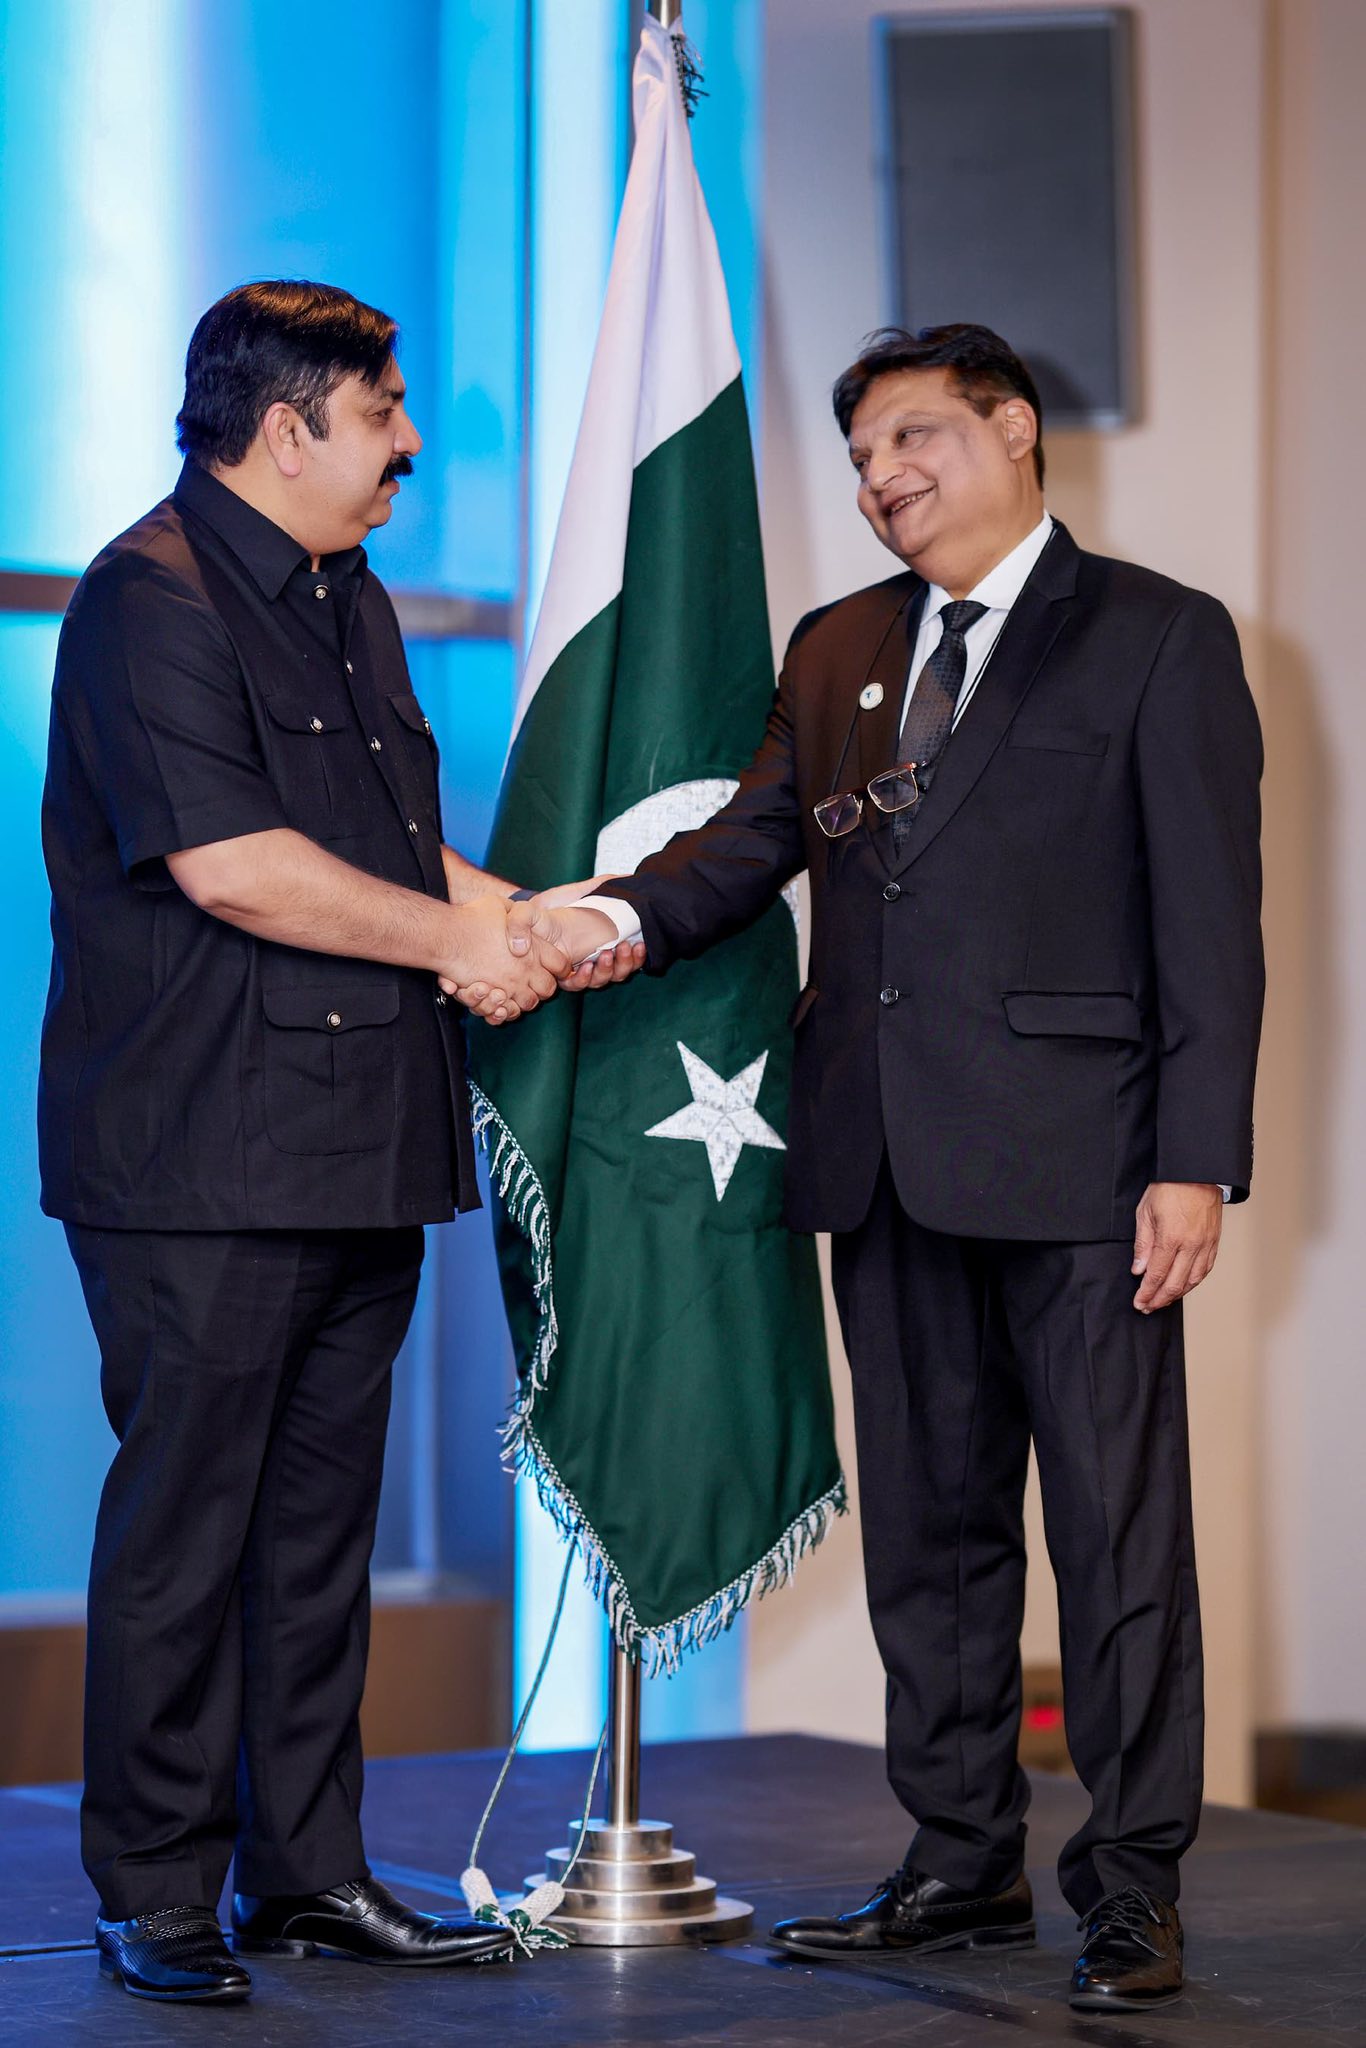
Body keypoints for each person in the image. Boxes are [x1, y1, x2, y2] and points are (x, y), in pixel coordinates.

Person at [540, 323, 1264, 2015]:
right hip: (878, 1161)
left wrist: (1194, 1162)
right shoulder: (838, 644)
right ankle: (956, 1866)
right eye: (864, 458)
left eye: (915, 440)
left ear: (1012, 429)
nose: (883, 480)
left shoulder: (1157, 633)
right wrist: (597, 921)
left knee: (1116, 1546)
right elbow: (746, 847)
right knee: (931, 1546)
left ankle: (1131, 1888)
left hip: (1087, 1175)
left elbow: (1208, 926)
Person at [39, 279, 635, 2005]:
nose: (409, 447)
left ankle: (303, 1875)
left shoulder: (342, 591)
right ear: (287, 428)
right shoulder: (146, 595)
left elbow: (377, 841)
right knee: (190, 1533)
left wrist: (526, 920)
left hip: (357, 1137)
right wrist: (468, 948)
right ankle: (155, 1886)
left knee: (314, 1536)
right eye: (382, 415)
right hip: (199, 1157)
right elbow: (235, 867)